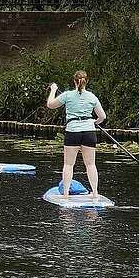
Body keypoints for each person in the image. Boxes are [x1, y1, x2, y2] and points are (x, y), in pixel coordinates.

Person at [46, 71, 108, 201]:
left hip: (73, 132)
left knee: (69, 165)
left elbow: (50, 105)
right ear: (86, 81)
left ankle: (66, 194)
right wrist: (94, 122)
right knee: (91, 164)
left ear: (74, 81)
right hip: (89, 132)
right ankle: (95, 193)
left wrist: (53, 90)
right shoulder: (92, 97)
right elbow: (102, 117)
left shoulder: (67, 95)